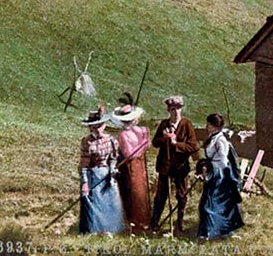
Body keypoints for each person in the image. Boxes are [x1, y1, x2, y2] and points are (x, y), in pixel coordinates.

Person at [149, 95, 198, 236]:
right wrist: (165, 138)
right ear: (168, 111)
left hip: (181, 167)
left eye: (178, 109)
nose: (175, 112)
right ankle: (154, 224)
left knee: (181, 196)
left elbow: (192, 146)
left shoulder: (187, 125)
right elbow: (155, 142)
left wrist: (176, 144)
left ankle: (179, 225)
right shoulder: (164, 124)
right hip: (165, 166)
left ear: (181, 109)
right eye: (172, 109)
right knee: (160, 196)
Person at [78, 104, 126, 235]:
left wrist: (112, 170)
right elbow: (84, 164)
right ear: (89, 127)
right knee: (93, 203)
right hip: (93, 175)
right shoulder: (87, 142)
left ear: (104, 125)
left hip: (108, 176)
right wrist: (85, 183)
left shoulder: (111, 140)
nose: (97, 129)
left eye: (99, 126)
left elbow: (113, 158)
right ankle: (93, 230)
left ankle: (110, 230)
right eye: (93, 127)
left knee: (111, 202)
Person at [196, 114, 244, 239]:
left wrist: (210, 167)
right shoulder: (212, 138)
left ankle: (214, 232)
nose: (207, 127)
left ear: (216, 127)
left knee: (211, 205)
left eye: (210, 125)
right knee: (206, 203)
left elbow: (223, 161)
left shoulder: (221, 140)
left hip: (220, 175)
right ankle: (208, 231)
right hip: (213, 173)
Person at [111, 92, 151, 234]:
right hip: (129, 167)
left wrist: (144, 139)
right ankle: (133, 223)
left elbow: (147, 144)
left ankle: (144, 221)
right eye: (125, 121)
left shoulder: (141, 131)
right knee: (132, 193)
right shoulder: (122, 135)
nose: (128, 123)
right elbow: (128, 153)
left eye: (130, 120)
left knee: (141, 193)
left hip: (140, 166)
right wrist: (141, 145)